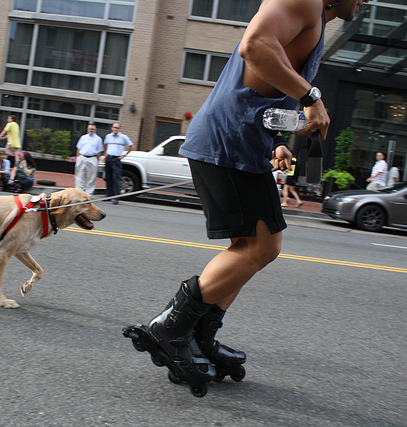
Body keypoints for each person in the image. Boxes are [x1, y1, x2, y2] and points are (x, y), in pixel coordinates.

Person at [123, 0, 368, 395]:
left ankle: (198, 337)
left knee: (249, 248)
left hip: (243, 141)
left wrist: (276, 139)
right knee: (261, 247)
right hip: (228, 140)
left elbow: (260, 84)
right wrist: (312, 97)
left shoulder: (318, 19)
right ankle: (170, 327)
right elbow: (254, 46)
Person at [104, 122, 134, 204]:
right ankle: (108, 196)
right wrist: (105, 151)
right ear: (112, 128)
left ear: (119, 129)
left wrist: (124, 155)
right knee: (108, 178)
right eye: (114, 127)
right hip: (109, 158)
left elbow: (131, 146)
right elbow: (105, 144)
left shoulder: (123, 137)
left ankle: (116, 197)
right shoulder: (108, 136)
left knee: (116, 179)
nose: (115, 129)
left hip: (116, 160)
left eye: (117, 128)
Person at [74, 123, 104, 195]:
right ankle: (79, 193)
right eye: (90, 129)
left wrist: (96, 159)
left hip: (92, 158)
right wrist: (78, 158)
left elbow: (99, 151)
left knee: (91, 178)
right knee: (79, 176)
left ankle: (88, 194)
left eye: (93, 129)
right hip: (82, 157)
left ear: (95, 130)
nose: (91, 130)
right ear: (87, 129)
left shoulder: (98, 139)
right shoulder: (83, 137)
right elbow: (78, 149)